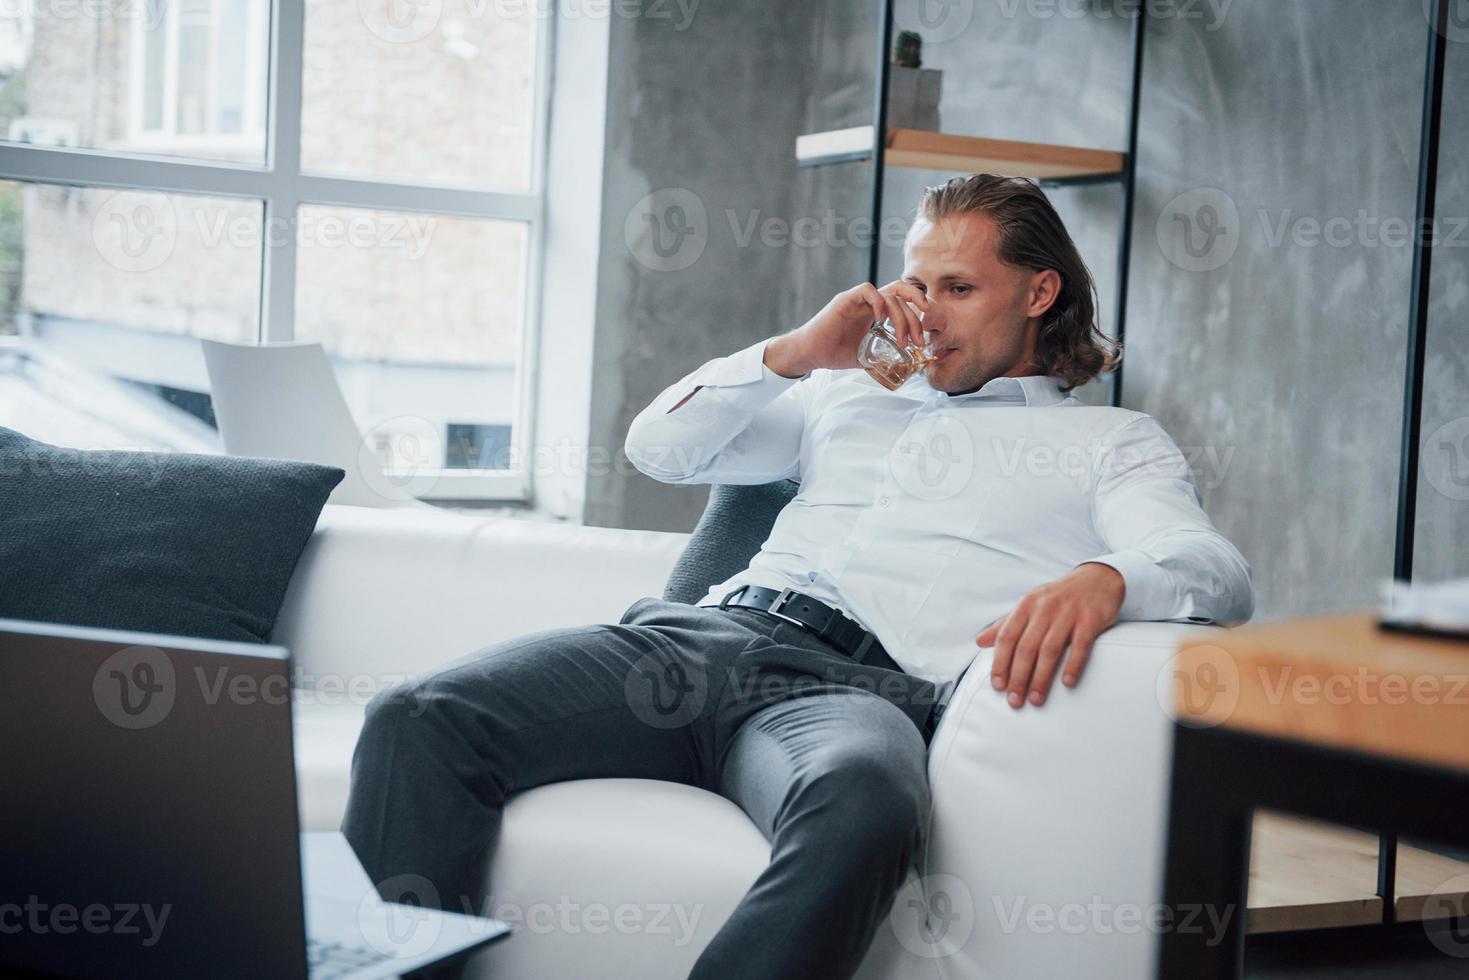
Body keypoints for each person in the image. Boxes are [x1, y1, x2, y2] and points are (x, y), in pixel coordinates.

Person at [343, 173, 1254, 979]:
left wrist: (1105, 578)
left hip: (852, 694)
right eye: (917, 284)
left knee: (865, 801)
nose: (926, 312)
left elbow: (1209, 569)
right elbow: (659, 448)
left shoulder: (1108, 443)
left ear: (1037, 291)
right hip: (696, 641)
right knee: (419, 717)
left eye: (960, 288)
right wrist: (795, 354)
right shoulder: (844, 394)